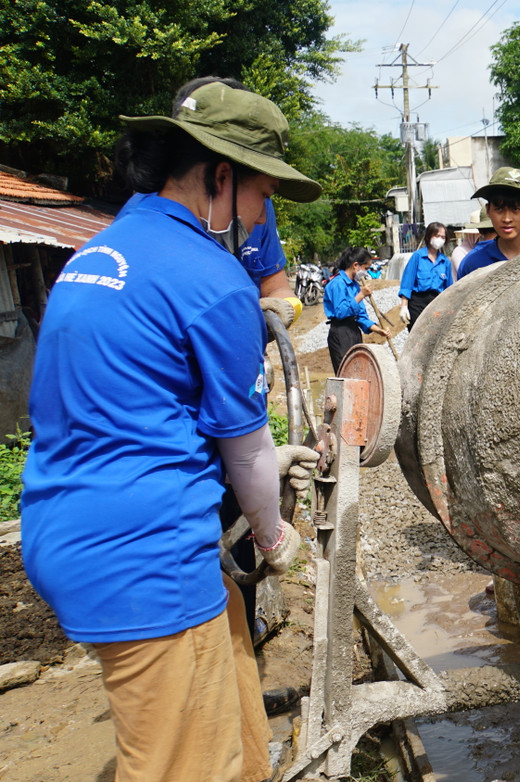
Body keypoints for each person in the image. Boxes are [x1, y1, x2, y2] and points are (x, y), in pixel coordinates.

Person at [21, 82, 321, 782]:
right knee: (181, 765)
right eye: (262, 193)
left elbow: (127, 407)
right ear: (220, 177)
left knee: (233, 665)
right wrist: (275, 537)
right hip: (144, 555)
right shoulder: (213, 278)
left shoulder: (98, 255)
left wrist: (261, 461)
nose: (262, 215)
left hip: (69, 528)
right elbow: (244, 448)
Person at [114, 77, 303, 330]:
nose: (260, 217)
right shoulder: (144, 220)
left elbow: (276, 285)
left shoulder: (256, 204)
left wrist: (283, 308)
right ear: (222, 176)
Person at [457, 167, 520, 277]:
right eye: (499, 209)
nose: (507, 219)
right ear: (488, 210)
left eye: (515, 209)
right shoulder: (473, 264)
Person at [324, 247, 390, 373]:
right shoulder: (338, 284)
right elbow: (341, 312)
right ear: (355, 265)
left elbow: (361, 316)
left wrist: (379, 330)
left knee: (358, 371)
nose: (366, 272)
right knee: (346, 373)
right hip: (341, 332)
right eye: (365, 268)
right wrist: (361, 295)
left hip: (354, 331)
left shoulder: (355, 285)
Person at [397, 221, 452, 330]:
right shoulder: (417, 257)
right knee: (418, 332)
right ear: (429, 236)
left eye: (443, 237)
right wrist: (404, 306)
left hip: (437, 302)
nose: (439, 239)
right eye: (437, 236)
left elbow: (449, 288)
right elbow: (407, 283)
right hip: (417, 303)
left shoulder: (445, 261)